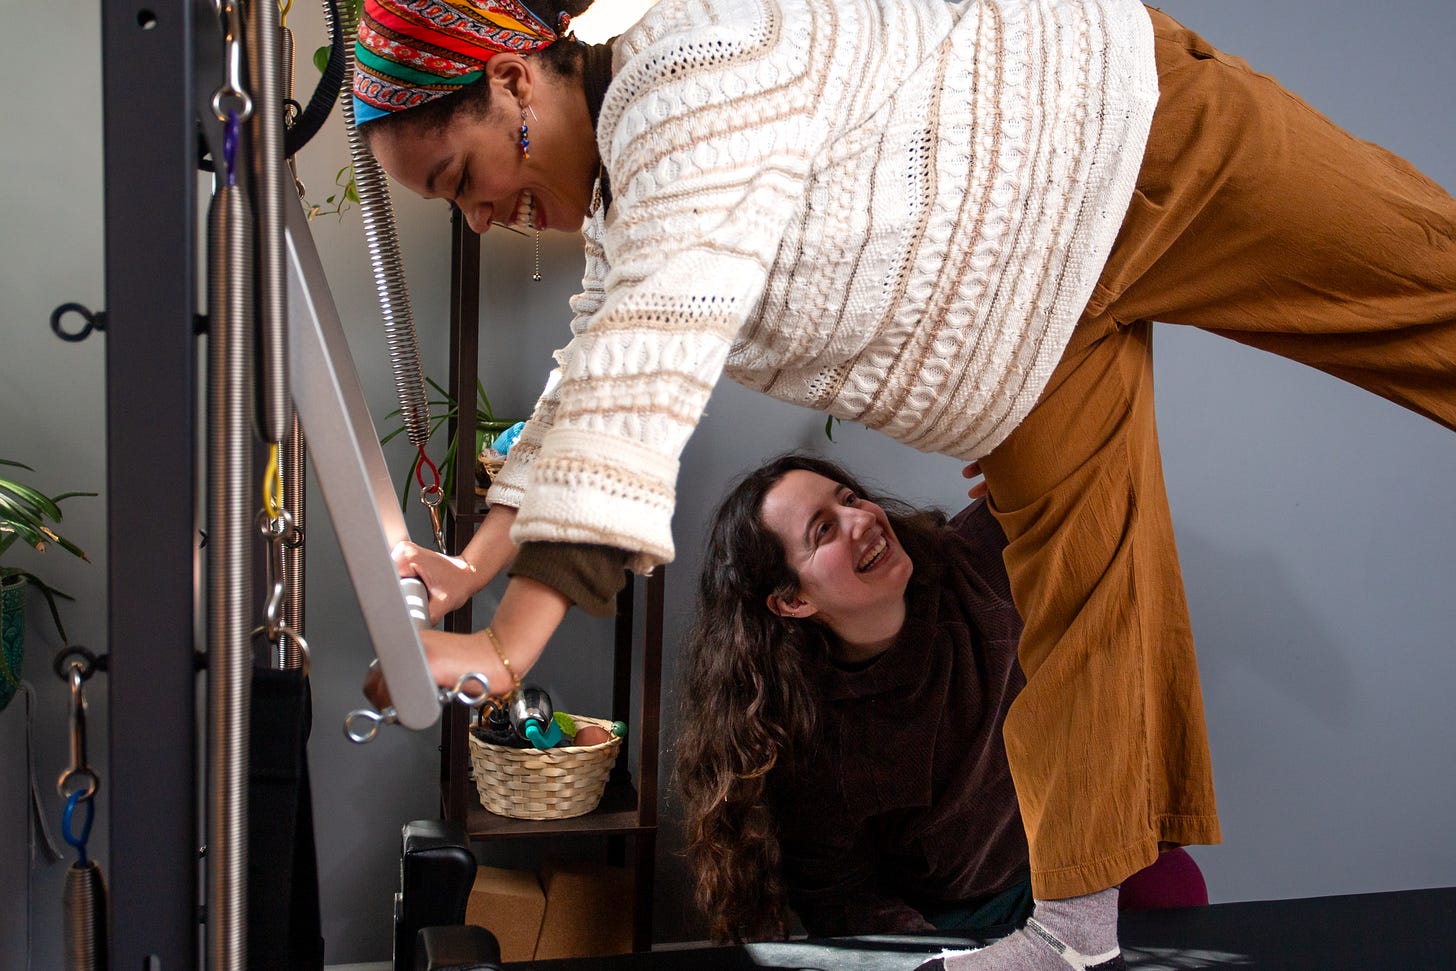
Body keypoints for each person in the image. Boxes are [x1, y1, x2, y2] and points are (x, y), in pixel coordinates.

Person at [356, 1, 1456, 966]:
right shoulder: (619, 202)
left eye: (461, 181)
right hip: (1029, 332)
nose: (480, 217)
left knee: (1428, 286)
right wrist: (475, 562)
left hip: (1122, 137)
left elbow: (646, 355)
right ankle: (1073, 924)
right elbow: (588, 374)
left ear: (511, 82)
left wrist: (509, 647)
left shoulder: (675, 75)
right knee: (1082, 589)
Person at [675, 453, 1033, 942]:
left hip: (1091, 852)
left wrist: (1030, 463)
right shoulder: (813, 740)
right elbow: (841, 897)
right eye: (823, 530)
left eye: (849, 499)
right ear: (794, 602)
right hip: (969, 916)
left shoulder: (978, 557)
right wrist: (937, 951)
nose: (863, 519)